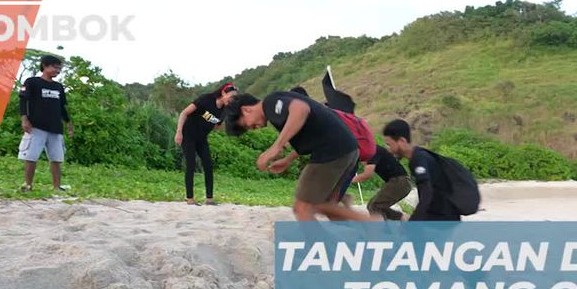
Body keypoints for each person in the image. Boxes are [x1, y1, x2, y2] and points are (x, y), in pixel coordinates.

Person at [225, 91, 377, 221]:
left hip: (332, 150)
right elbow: (310, 131)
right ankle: (367, 230)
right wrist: (287, 160)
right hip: (346, 148)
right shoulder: (277, 110)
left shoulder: (270, 103)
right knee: (326, 207)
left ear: (246, 110)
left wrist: (275, 147)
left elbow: (301, 109)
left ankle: (368, 227)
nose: (252, 128)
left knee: (302, 208)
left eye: (245, 125)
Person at [383, 119, 460, 221]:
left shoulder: (419, 159)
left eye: (389, 145)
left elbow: (427, 194)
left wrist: (414, 221)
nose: (389, 150)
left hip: (443, 217)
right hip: (443, 215)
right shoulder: (418, 156)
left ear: (402, 141)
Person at [174, 82, 238, 205]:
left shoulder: (224, 110)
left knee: (208, 165)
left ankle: (209, 199)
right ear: (223, 93)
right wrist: (179, 132)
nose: (232, 101)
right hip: (188, 135)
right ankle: (190, 199)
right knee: (191, 165)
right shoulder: (206, 99)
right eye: (231, 97)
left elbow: (216, 125)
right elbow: (184, 113)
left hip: (202, 138)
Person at [17, 55, 73, 192]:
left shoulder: (58, 87)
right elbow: (23, 101)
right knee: (31, 156)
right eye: (55, 67)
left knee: (57, 158)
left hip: (55, 128)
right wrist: (24, 119)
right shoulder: (32, 82)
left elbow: (62, 107)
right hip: (36, 126)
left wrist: (69, 123)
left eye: (59, 68)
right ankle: (28, 185)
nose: (57, 70)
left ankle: (56, 186)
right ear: (45, 66)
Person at [352, 144, 412, 221]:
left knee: (375, 206)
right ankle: (403, 218)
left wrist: (350, 180)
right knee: (374, 206)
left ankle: (382, 229)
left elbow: (368, 174)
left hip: (400, 182)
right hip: (400, 181)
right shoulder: (372, 150)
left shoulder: (373, 151)